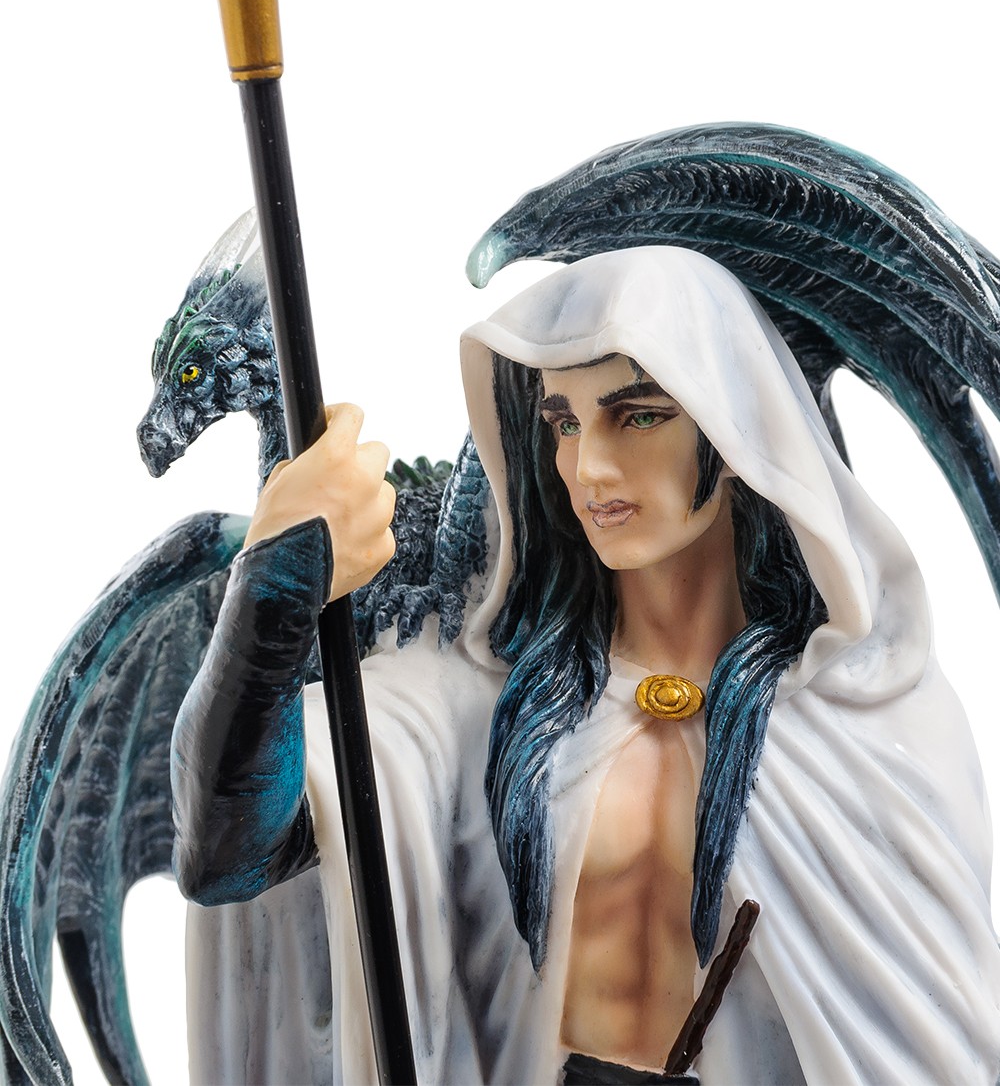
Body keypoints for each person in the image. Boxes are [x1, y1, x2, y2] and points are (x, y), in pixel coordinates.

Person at [172, 247, 1000, 1084]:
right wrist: (277, 587)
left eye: (637, 417)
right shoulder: (480, 709)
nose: (588, 468)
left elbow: (930, 1046)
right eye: (564, 423)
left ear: (733, 427)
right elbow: (230, 849)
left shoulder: (869, 729)